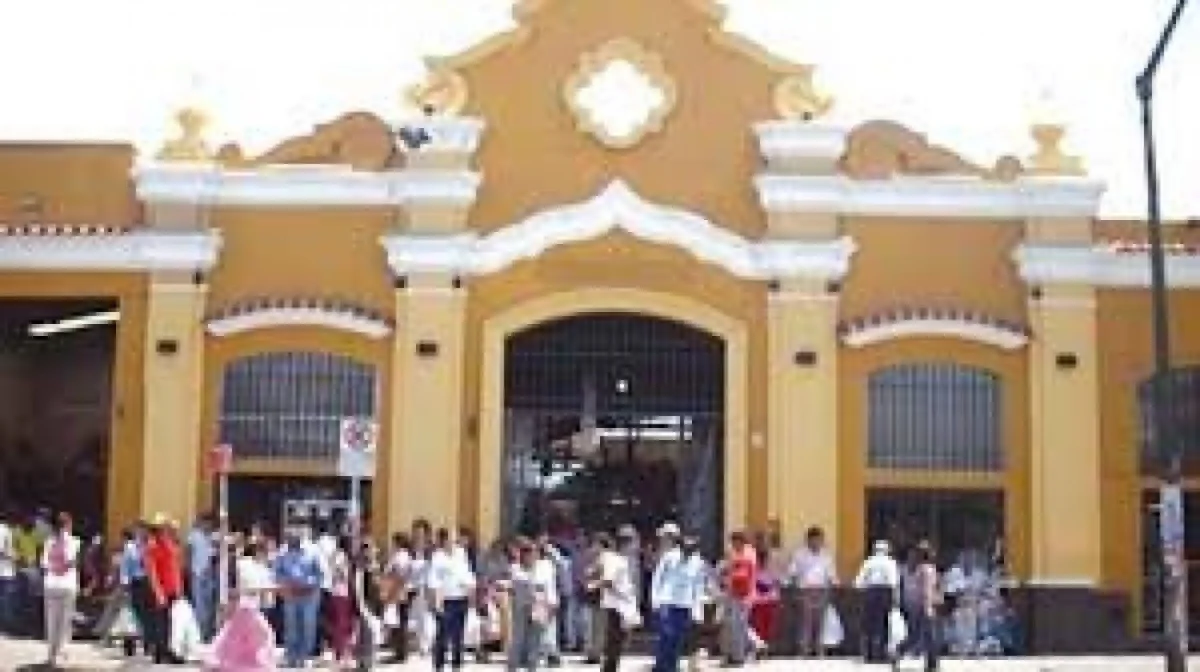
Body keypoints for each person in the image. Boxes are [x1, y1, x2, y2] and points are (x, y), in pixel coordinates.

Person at [207, 542, 278, 671]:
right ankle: (254, 663)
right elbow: (239, 590)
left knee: (236, 637)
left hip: (247, 607)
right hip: (245, 607)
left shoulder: (253, 566)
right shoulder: (243, 565)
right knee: (262, 634)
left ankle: (230, 661)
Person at [428, 527, 477, 671]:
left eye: (455, 539)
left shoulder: (461, 553)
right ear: (444, 540)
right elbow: (433, 579)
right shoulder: (438, 556)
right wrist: (436, 600)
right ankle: (439, 665)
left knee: (458, 635)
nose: (454, 541)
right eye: (451, 538)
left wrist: (471, 590)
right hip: (445, 600)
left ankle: (457, 665)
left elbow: (467, 573)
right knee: (442, 635)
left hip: (461, 598)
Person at [274, 532, 325, 668]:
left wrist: (307, 584)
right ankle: (291, 656)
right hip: (290, 595)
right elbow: (277, 572)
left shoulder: (313, 551)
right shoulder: (282, 553)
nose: (292, 538)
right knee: (291, 626)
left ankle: (305, 656)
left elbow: (321, 573)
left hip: (309, 595)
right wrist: (287, 583)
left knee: (308, 626)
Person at [504, 538, 554, 671]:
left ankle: (532, 667)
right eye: (529, 553)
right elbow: (515, 583)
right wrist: (531, 585)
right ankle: (512, 667)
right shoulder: (515, 568)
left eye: (534, 553)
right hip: (521, 607)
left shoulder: (545, 566)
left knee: (535, 639)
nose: (532, 556)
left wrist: (551, 604)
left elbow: (549, 586)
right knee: (518, 639)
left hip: (539, 607)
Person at [788, 526, 838, 657]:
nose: (816, 542)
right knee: (805, 621)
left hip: (822, 590)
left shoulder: (826, 556)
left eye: (819, 539)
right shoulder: (799, 554)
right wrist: (795, 591)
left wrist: (831, 591)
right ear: (808, 540)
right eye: (814, 539)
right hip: (805, 590)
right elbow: (792, 573)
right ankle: (804, 649)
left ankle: (819, 649)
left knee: (821, 621)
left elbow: (831, 576)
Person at [650, 522, 692, 672]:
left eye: (663, 537)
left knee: (670, 638)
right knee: (670, 638)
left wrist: (656, 602)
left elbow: (658, 580)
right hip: (673, 603)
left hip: (673, 603)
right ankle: (667, 666)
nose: (661, 540)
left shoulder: (671, 556)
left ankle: (667, 666)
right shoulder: (669, 556)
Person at [41, 512, 81, 668]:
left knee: (51, 621)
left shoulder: (48, 542)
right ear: (69, 525)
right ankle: (61, 655)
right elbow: (72, 562)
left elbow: (44, 564)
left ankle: (51, 656)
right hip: (67, 585)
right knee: (65, 622)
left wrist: (54, 568)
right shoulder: (75, 542)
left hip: (51, 585)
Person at [145, 515, 186, 664]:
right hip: (161, 590)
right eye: (165, 527)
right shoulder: (153, 546)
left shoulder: (169, 543)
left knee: (168, 621)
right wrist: (158, 592)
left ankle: (163, 650)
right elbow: (152, 572)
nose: (167, 530)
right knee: (161, 621)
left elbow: (175, 567)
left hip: (171, 589)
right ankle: (161, 651)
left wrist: (179, 588)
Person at [896, 540, 941, 671]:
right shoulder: (928, 569)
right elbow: (926, 589)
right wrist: (929, 606)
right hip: (924, 605)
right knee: (929, 635)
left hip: (913, 605)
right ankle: (931, 663)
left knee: (915, 635)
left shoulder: (913, 568)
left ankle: (899, 651)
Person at [854, 539, 900, 664]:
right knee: (883, 623)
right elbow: (894, 581)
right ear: (887, 551)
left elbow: (858, 582)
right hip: (885, 592)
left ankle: (868, 654)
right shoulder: (890, 562)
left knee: (869, 624)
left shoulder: (868, 562)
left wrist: (863, 593)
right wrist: (895, 598)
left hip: (870, 593)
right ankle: (881, 654)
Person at [600, 529, 637, 672]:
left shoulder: (621, 559)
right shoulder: (614, 559)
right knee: (614, 643)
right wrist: (623, 595)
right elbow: (608, 581)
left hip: (621, 606)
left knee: (618, 643)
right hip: (616, 606)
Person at [721, 530, 757, 667]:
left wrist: (751, 595)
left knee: (740, 625)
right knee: (731, 625)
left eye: (737, 541)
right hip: (732, 593)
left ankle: (739, 656)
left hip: (745, 594)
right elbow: (726, 572)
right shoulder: (730, 553)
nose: (735, 544)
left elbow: (752, 575)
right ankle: (733, 653)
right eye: (733, 542)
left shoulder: (750, 553)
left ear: (742, 541)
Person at [186, 514, 217, 642]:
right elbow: (188, 552)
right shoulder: (194, 536)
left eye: (210, 523)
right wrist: (189, 570)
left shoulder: (213, 537)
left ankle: (208, 634)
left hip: (210, 575)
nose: (208, 525)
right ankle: (200, 634)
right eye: (206, 523)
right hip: (197, 574)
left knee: (210, 605)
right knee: (200, 606)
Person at [0, 510, 16, 635]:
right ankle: (4, 626)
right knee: (6, 599)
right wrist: (12, 556)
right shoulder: (4, 530)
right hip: (4, 570)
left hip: (5, 570)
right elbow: (2, 551)